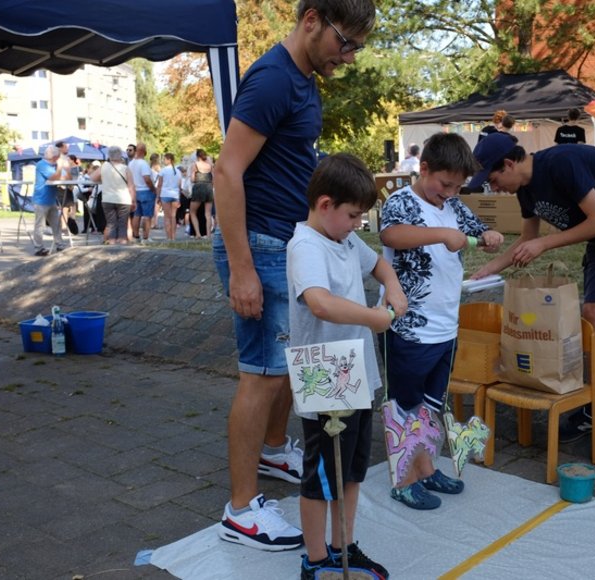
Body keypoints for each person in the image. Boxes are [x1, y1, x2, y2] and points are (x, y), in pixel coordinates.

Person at [212, 0, 377, 554]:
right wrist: (242, 269)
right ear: (311, 20)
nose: (348, 57)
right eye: (345, 42)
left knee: (289, 362)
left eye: (355, 46)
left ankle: (274, 446)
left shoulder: (304, 82)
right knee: (260, 374)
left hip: (284, 243)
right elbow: (226, 169)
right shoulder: (274, 78)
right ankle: (239, 510)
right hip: (258, 243)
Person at [467, 133, 595, 460]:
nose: (494, 188)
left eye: (493, 180)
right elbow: (527, 239)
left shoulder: (561, 163)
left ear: (508, 164)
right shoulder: (525, 190)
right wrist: (489, 269)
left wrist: (545, 245)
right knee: (592, 312)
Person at [288, 153, 406, 579]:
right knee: (321, 476)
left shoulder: (344, 239)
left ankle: (344, 545)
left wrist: (391, 286)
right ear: (325, 205)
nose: (359, 224)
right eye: (353, 215)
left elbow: (377, 264)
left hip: (355, 372)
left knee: (352, 468)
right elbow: (319, 302)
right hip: (323, 376)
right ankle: (315, 558)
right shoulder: (305, 245)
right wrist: (372, 317)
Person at [380, 132, 504, 510]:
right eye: (444, 184)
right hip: (408, 326)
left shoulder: (453, 205)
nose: (449, 192)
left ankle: (427, 467)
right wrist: (443, 234)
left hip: (444, 325)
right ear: (424, 168)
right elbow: (392, 235)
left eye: (457, 186)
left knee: (431, 405)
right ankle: (404, 479)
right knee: (405, 405)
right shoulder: (401, 201)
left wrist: (488, 235)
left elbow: (475, 229)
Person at [91, 146, 135, 245]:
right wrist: (133, 200)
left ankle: (111, 244)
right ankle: (122, 244)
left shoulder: (104, 166)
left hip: (107, 199)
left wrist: (103, 180)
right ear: (120, 156)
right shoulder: (125, 168)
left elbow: (92, 178)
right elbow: (131, 186)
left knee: (111, 223)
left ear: (109, 156)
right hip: (124, 199)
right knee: (123, 224)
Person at [31, 145, 66, 256]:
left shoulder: (52, 165)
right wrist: (61, 167)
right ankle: (38, 248)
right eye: (57, 157)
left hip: (51, 199)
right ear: (54, 156)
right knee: (40, 225)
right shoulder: (42, 165)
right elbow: (54, 177)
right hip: (41, 199)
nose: (58, 159)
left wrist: (62, 170)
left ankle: (59, 245)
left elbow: (64, 177)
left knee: (56, 224)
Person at [128, 143, 157, 243]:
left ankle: (135, 236)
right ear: (144, 152)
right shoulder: (143, 164)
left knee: (137, 215)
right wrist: (153, 189)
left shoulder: (131, 163)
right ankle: (146, 237)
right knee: (147, 216)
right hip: (145, 191)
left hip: (135, 191)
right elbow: (147, 179)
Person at [189, 149, 214, 238]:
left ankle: (198, 234)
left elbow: (192, 179)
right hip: (208, 188)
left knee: (192, 212)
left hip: (198, 187)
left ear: (197, 156)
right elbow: (213, 178)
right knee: (208, 213)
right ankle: (208, 234)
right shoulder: (210, 165)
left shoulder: (195, 164)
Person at [157, 153, 181, 241]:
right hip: (175, 195)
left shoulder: (163, 171)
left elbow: (159, 184)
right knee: (173, 216)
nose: (164, 161)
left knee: (167, 217)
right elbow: (179, 185)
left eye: (165, 159)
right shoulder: (177, 171)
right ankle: (174, 237)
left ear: (169, 160)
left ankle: (168, 237)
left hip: (165, 194)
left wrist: (158, 196)